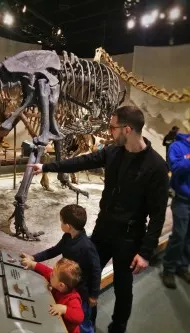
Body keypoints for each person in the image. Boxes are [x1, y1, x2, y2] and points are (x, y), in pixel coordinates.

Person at [28, 105, 169, 333]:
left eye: (113, 128)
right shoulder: (113, 152)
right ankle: (85, 321)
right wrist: (46, 166)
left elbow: (158, 214)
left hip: (129, 239)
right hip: (103, 231)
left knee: (123, 288)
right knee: (83, 277)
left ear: (128, 129)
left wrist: (145, 252)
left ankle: (118, 327)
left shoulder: (156, 167)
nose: (109, 132)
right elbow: (81, 162)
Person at [21, 204, 101, 333]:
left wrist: (94, 295)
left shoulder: (87, 246)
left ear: (68, 226)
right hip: (68, 284)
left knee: (84, 321)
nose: (60, 223)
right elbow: (54, 250)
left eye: (61, 221)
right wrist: (34, 258)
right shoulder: (67, 237)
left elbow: (96, 270)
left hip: (82, 292)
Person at [22, 257, 84, 333]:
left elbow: (79, 317)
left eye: (53, 275)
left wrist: (64, 309)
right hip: (54, 323)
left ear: (61, 285)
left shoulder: (73, 299)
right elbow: (46, 270)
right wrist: (33, 264)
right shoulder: (56, 282)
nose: (50, 274)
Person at [162, 133, 190, 289]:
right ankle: (169, 269)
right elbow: (176, 167)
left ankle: (183, 266)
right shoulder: (177, 146)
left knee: (189, 236)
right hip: (183, 200)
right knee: (179, 234)